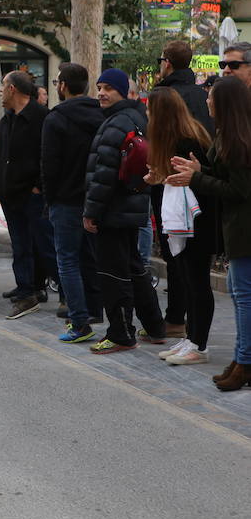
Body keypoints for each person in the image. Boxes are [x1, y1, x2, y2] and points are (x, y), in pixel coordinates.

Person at [166, 76, 251, 388]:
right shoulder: (229, 135)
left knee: (243, 297)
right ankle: (242, 359)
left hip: (244, 231)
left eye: (212, 97)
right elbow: (226, 177)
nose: (207, 101)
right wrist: (200, 171)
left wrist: (197, 179)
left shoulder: (240, 139)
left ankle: (244, 362)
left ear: (226, 103)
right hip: (237, 230)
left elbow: (239, 189)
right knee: (240, 295)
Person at [83, 68, 166, 354]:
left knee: (113, 273)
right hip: (131, 206)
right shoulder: (134, 117)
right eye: (99, 87)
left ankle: (120, 333)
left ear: (122, 91)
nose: (102, 93)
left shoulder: (117, 122)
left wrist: (91, 211)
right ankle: (155, 326)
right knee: (133, 267)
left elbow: (103, 174)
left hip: (114, 210)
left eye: (108, 88)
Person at [143, 86, 215, 365]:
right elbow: (177, 179)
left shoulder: (188, 139)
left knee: (197, 282)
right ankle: (192, 339)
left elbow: (191, 182)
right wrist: (159, 176)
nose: (147, 113)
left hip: (196, 221)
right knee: (188, 279)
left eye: (150, 108)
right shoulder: (179, 137)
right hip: (186, 220)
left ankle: (199, 344)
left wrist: (164, 177)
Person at [0, 71, 58, 319]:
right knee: (21, 246)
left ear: (13, 89)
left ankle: (68, 294)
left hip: (32, 196)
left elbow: (49, 156)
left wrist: (38, 186)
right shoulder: (7, 119)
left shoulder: (41, 118)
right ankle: (27, 291)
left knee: (45, 246)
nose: (0, 91)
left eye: (3, 86)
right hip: (11, 195)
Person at [41, 63, 105, 343]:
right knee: (93, 258)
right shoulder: (102, 114)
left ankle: (79, 321)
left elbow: (49, 166)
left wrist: (49, 198)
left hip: (65, 200)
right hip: (96, 197)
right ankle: (94, 310)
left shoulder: (55, 119)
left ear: (63, 86)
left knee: (67, 260)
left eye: (57, 82)